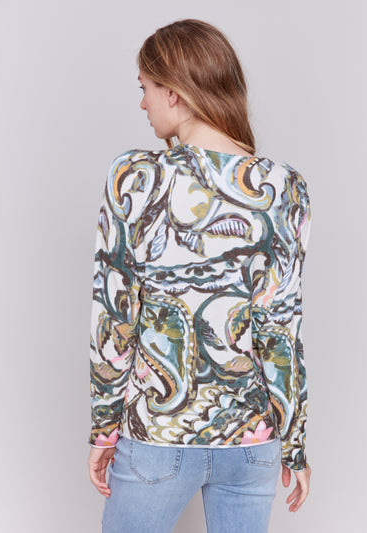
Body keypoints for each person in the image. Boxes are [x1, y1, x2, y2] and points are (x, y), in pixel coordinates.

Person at [87, 18, 312, 533]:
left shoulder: (136, 178)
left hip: (158, 436)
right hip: (253, 441)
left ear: (174, 92)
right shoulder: (285, 188)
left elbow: (114, 317)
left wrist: (104, 430)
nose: (142, 103)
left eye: (145, 88)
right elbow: (281, 327)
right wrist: (294, 443)